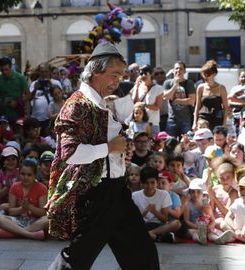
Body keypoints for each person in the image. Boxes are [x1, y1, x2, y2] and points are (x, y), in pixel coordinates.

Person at [47, 42, 159, 270]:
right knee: (77, 259)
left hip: (117, 191)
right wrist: (109, 148)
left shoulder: (101, 103)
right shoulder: (77, 105)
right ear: (96, 71)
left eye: (121, 75)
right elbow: (69, 153)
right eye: (114, 75)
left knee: (142, 253)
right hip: (94, 194)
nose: (118, 81)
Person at [0, 159, 47, 239]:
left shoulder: (42, 188)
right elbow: (11, 211)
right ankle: (30, 234)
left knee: (47, 219)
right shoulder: (15, 187)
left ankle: (18, 232)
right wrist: (21, 209)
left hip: (35, 221)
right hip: (18, 220)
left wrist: (29, 207)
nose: (25, 177)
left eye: (29, 175)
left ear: (34, 175)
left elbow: (43, 212)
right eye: (23, 174)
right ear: (19, 174)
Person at [131, 167, 181, 243]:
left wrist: (155, 212)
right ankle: (158, 237)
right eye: (146, 183)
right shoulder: (135, 196)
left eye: (152, 183)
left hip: (158, 225)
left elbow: (164, 219)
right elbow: (135, 220)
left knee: (177, 223)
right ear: (142, 183)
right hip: (142, 225)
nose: (150, 186)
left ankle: (151, 234)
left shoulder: (164, 194)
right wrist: (145, 212)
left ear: (157, 182)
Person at [193, 60, 229, 131]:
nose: (206, 77)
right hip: (203, 118)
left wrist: (224, 124)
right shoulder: (200, 87)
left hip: (217, 119)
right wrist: (194, 123)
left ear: (214, 74)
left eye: (208, 74)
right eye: (204, 74)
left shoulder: (221, 88)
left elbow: (225, 108)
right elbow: (197, 106)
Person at [163, 61, 196, 138]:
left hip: (186, 120)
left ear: (184, 71)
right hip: (172, 120)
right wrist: (175, 85)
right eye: (176, 68)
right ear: (173, 70)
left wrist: (176, 100)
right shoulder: (167, 83)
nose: (178, 70)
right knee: (170, 143)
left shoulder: (189, 83)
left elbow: (192, 101)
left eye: (181, 69)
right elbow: (166, 97)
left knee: (188, 143)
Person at [131, 65, 164, 138]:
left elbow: (157, 107)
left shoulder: (158, 89)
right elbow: (134, 102)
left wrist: (144, 105)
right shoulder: (138, 87)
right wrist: (136, 86)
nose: (143, 76)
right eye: (141, 74)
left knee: (153, 146)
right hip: (139, 124)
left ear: (151, 74)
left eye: (145, 73)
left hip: (152, 123)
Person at [0, 57, 30, 123]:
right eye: (2, 70)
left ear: (11, 67)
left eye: (6, 69)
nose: (4, 72)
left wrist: (18, 102)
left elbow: (28, 95)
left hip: (18, 110)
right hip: (4, 111)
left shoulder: (20, 78)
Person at [30, 63, 62, 136]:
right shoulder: (34, 83)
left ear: (50, 72)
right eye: (42, 71)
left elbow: (60, 97)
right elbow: (29, 98)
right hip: (37, 118)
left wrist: (51, 87)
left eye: (46, 71)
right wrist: (35, 89)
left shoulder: (56, 83)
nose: (44, 74)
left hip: (52, 119)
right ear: (39, 72)